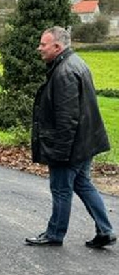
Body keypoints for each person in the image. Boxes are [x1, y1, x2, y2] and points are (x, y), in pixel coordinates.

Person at [25, 26, 116, 248]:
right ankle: (105, 230)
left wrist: (60, 154)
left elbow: (67, 119)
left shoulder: (64, 72)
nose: (40, 48)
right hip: (86, 142)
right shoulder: (76, 62)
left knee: (61, 189)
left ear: (57, 46)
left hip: (71, 146)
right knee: (83, 183)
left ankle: (54, 234)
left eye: (43, 45)